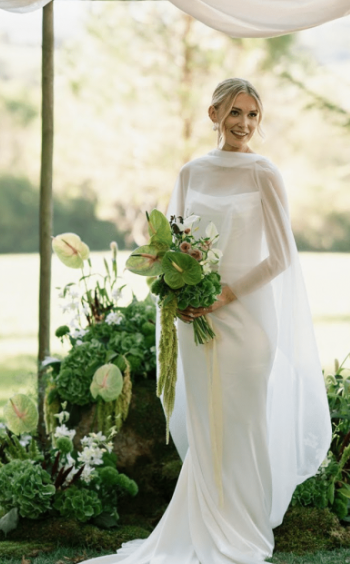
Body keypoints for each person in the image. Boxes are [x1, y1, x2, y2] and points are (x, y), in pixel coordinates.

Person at [83, 78, 332, 564]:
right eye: (235, 112)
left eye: (253, 115)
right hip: (193, 321)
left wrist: (224, 295)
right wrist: (180, 290)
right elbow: (171, 248)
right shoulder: (191, 172)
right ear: (214, 113)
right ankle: (201, 526)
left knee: (242, 424)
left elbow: (280, 257)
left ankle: (244, 528)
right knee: (205, 428)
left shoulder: (264, 173)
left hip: (244, 324)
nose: (244, 124)